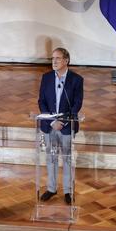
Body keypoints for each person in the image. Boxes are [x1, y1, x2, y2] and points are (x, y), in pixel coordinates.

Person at [37, 47, 84, 205]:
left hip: (66, 127)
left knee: (67, 159)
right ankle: (51, 188)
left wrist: (63, 121)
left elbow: (76, 104)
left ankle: (68, 191)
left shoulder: (76, 80)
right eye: (52, 58)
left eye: (57, 58)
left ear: (66, 61)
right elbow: (41, 101)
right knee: (51, 158)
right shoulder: (46, 77)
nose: (54, 61)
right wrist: (51, 121)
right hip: (49, 126)